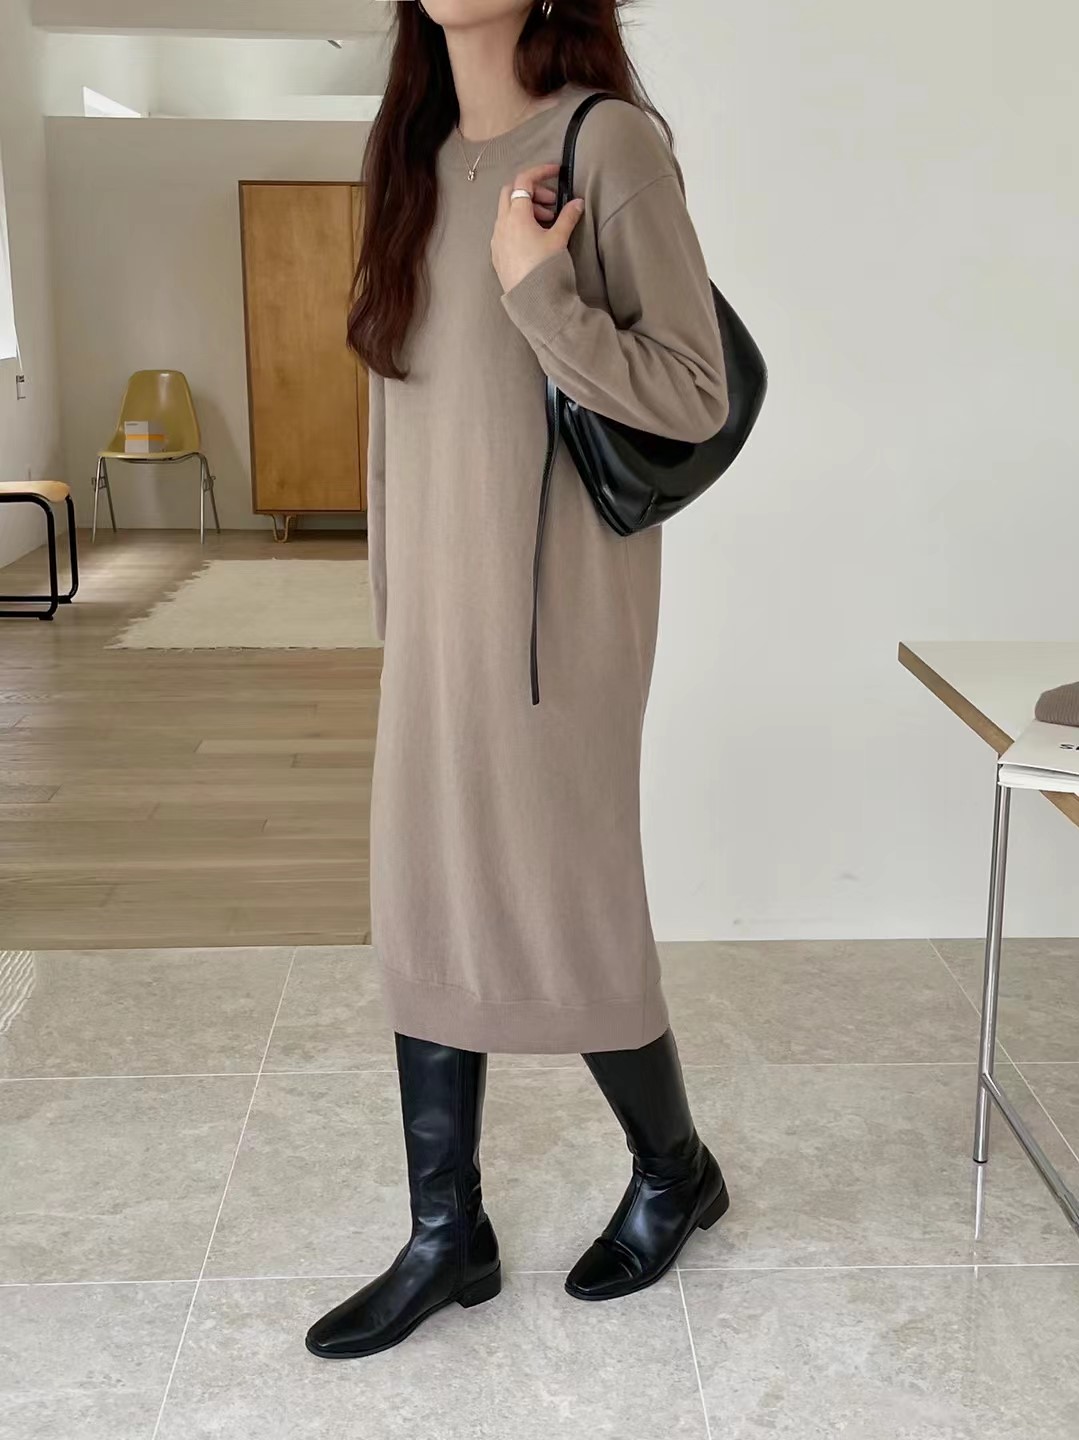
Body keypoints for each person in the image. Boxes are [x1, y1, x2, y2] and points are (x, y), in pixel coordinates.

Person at [307, 0, 731, 1360]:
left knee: (570, 896)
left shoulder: (607, 146)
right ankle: (449, 1234)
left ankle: (675, 1172)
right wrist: (396, 613)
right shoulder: (412, 155)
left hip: (561, 618)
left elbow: (694, 393)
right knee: (423, 891)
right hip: (435, 618)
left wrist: (540, 286)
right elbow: (397, 411)